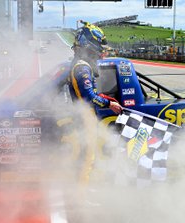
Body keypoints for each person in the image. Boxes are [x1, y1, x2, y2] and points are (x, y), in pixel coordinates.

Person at [68, 20, 123, 185]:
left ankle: (81, 195)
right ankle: (80, 201)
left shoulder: (79, 65)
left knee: (87, 158)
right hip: (84, 117)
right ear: (90, 45)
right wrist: (109, 104)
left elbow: (91, 93)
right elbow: (89, 97)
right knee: (86, 159)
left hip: (84, 117)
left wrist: (106, 99)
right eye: (100, 47)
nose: (102, 53)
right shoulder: (82, 68)